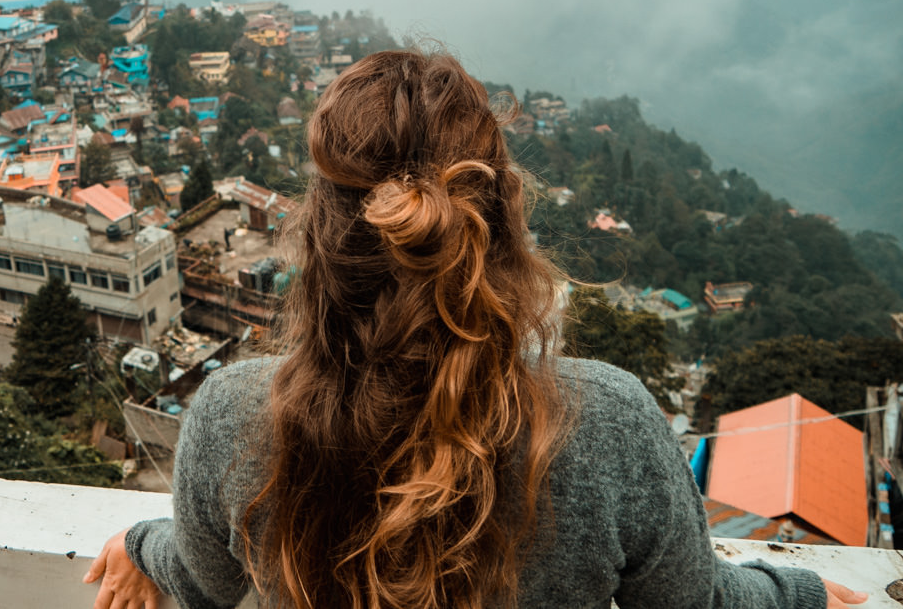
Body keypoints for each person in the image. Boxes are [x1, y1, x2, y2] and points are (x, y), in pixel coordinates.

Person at [85, 50, 866, 609]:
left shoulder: (232, 417)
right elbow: (698, 602)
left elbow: (199, 580)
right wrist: (796, 592)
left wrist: (139, 543)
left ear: (318, 234)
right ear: (499, 222)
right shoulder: (606, 425)